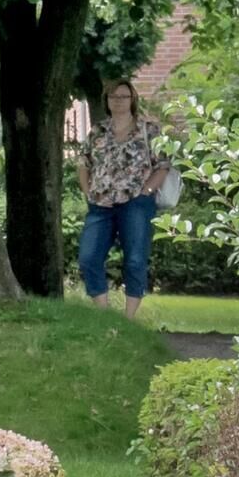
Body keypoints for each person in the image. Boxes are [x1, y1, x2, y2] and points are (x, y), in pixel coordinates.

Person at [77, 81, 170, 318]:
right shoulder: (98, 131)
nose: (118, 101)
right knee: (88, 257)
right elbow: (84, 163)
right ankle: (105, 314)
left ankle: (129, 319)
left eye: (123, 96)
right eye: (113, 97)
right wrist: (88, 191)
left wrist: (146, 191)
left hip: (136, 203)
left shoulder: (148, 130)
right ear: (106, 101)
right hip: (100, 204)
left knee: (136, 260)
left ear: (132, 99)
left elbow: (162, 166)